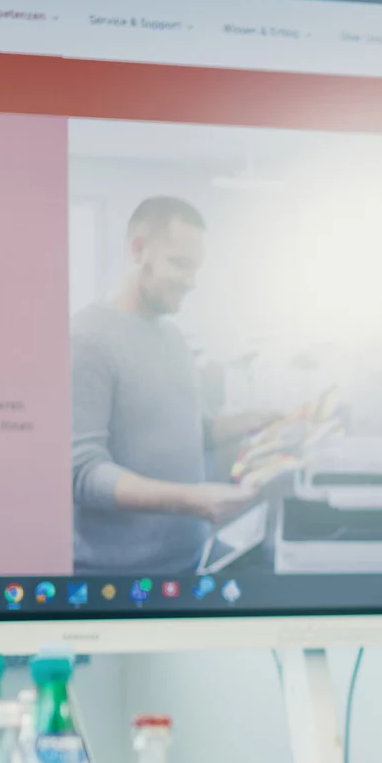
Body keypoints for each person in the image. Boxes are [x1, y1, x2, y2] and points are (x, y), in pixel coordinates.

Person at [70, 196, 271, 576]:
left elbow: (189, 432)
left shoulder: (173, 337)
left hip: (185, 563)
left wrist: (251, 421)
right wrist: (190, 500)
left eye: (196, 268)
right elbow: (83, 473)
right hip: (114, 579)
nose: (191, 282)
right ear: (138, 250)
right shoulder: (86, 338)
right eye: (180, 264)